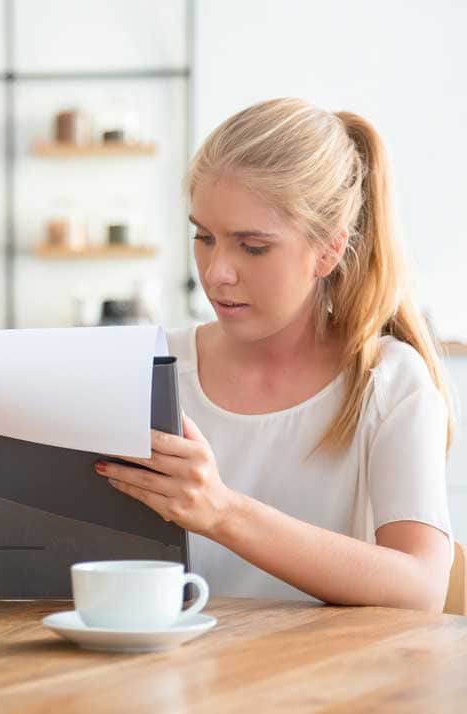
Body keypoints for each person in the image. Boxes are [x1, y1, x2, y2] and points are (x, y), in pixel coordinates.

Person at [96, 98, 454, 611]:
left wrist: (222, 512)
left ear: (329, 250)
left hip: (323, 687)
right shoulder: (152, 364)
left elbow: (420, 588)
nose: (217, 272)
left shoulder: (388, 381)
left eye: (253, 246)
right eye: (204, 237)